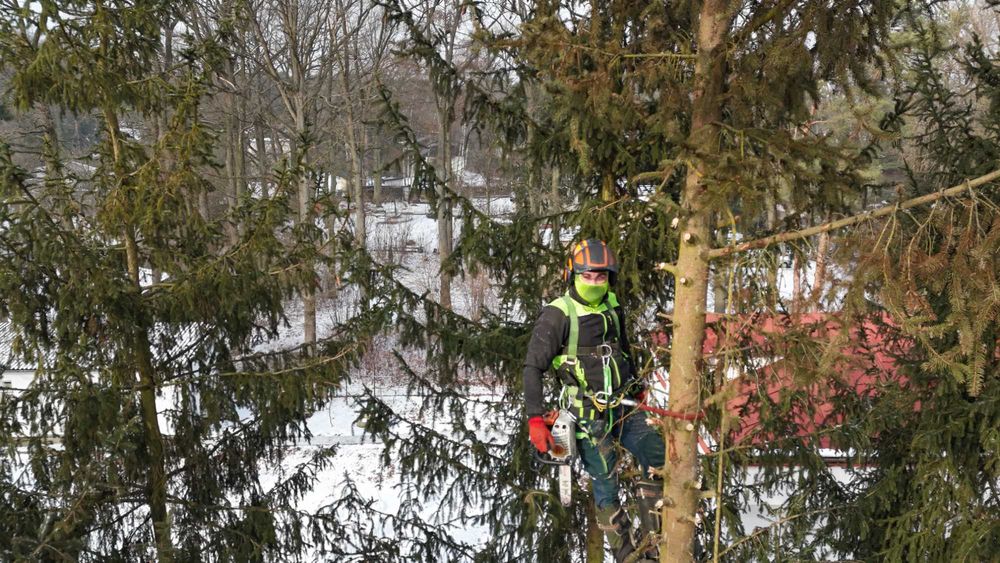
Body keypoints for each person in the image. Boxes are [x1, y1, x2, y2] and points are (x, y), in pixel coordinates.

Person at [523, 239, 665, 562]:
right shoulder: (558, 314)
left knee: (657, 455)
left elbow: (623, 348)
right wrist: (535, 418)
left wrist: (637, 386)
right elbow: (532, 368)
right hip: (587, 414)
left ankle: (660, 538)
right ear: (572, 275)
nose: (594, 282)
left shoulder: (612, 305)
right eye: (587, 276)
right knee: (605, 478)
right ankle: (627, 553)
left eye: (601, 277)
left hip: (623, 405)